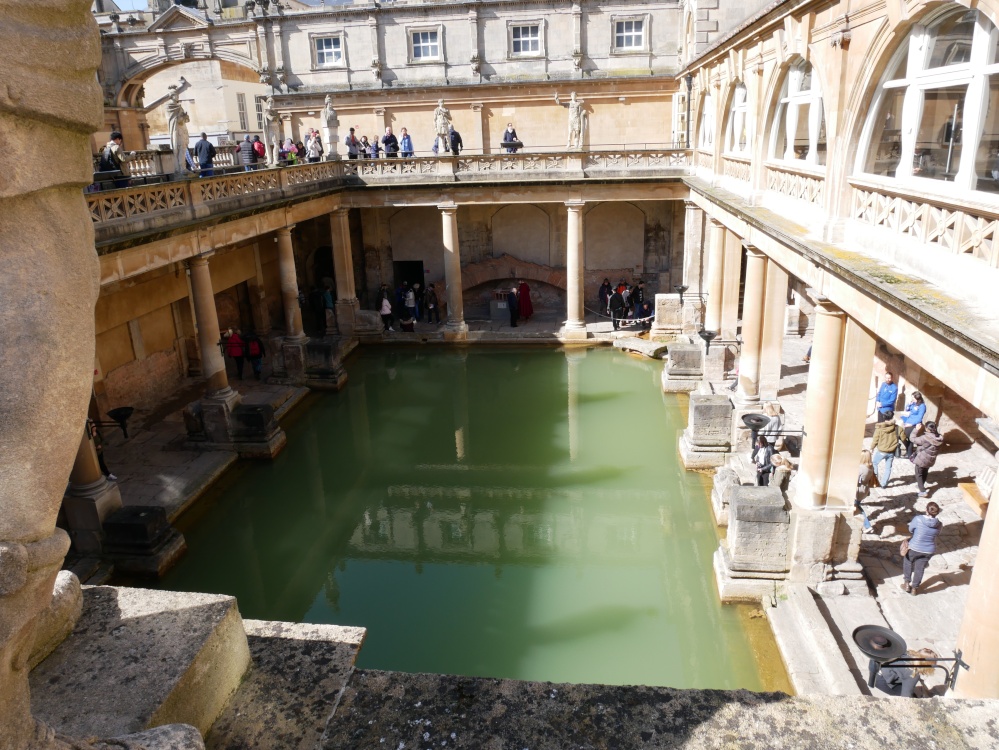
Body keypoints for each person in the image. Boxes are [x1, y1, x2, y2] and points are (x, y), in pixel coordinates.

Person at [901, 502, 942, 595]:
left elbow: (910, 529)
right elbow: (937, 534)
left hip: (914, 547)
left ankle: (907, 583)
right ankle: (914, 589)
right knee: (920, 568)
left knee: (908, 561)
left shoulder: (918, 519)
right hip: (928, 550)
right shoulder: (939, 524)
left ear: (926, 511)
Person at [871, 412, 905, 489]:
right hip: (891, 452)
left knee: (874, 464)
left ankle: (875, 481)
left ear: (884, 417)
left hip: (881, 451)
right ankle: (883, 484)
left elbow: (875, 440)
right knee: (888, 468)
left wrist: (872, 448)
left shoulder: (879, 428)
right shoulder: (898, 428)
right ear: (892, 417)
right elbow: (903, 438)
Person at [910, 421, 944, 498]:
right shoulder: (939, 438)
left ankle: (922, 491)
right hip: (930, 459)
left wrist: (916, 429)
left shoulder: (925, 438)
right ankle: (921, 485)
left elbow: (912, 439)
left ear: (927, 429)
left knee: (918, 473)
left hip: (922, 459)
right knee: (925, 472)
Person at [899, 391, 926, 458]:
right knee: (901, 435)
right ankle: (909, 451)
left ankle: (909, 453)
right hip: (908, 421)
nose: (912, 399)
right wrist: (909, 404)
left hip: (914, 424)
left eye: (913, 398)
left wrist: (911, 424)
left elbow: (920, 418)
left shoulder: (922, 406)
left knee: (908, 437)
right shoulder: (913, 404)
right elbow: (907, 410)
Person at [856, 449, 878, 531]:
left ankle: (867, 525)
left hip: (858, 490)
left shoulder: (861, 468)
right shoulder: (870, 467)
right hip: (865, 489)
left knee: (857, 507)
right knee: (856, 506)